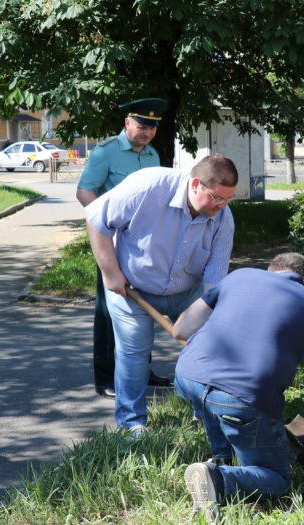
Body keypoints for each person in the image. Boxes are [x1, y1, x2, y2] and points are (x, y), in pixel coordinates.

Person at [172, 253, 304, 521]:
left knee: (212, 400)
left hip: (188, 376)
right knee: (277, 479)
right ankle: (218, 479)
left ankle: (221, 458)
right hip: (242, 396)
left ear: (271, 271)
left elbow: (180, 330)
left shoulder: (239, 276)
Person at [84, 154, 238, 433]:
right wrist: (110, 272)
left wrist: (210, 328)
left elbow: (215, 283)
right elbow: (96, 219)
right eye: (216, 198)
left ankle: (203, 410)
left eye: (227, 200)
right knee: (133, 354)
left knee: (206, 347)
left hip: (186, 292)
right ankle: (132, 425)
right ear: (195, 184)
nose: (221, 207)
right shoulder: (148, 187)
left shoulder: (223, 218)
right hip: (132, 289)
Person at [76, 98, 169, 399]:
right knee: (108, 313)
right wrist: (105, 224)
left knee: (143, 307)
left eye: (152, 128)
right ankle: (106, 378)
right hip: (112, 243)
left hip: (143, 245)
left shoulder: (153, 155)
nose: (147, 133)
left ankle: (142, 369)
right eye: (142, 126)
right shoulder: (107, 152)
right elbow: (84, 191)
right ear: (127, 123)